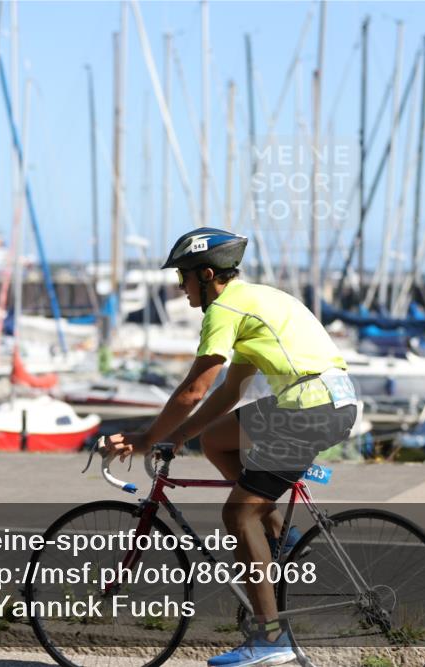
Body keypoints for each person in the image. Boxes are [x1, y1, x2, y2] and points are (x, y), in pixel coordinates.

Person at [108, 227, 358, 667]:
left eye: (183, 277)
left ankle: (270, 639)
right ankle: (279, 538)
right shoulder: (255, 300)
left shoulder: (223, 309)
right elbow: (227, 393)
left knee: (237, 513)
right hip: (326, 402)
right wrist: (179, 437)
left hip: (309, 409)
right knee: (216, 439)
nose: (179, 287)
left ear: (207, 275)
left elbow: (194, 390)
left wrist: (147, 439)